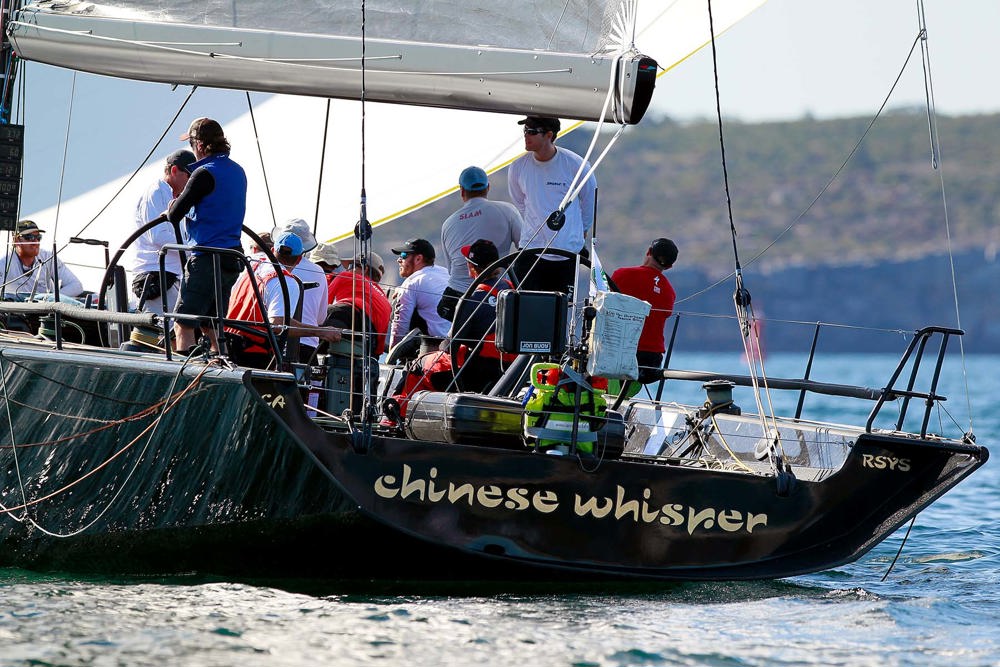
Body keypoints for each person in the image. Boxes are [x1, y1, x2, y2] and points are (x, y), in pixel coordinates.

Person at [167, 117, 247, 354]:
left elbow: (174, 214)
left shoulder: (203, 173)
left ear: (200, 145)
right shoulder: (237, 171)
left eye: (191, 143)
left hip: (206, 257)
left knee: (183, 322)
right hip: (231, 257)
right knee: (211, 321)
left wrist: (171, 205)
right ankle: (218, 362)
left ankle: (186, 378)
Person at [224, 232, 342, 368]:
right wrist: (320, 331)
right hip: (253, 354)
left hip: (230, 344)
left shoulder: (252, 266)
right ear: (299, 259)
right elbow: (278, 324)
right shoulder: (286, 281)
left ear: (273, 250)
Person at [507, 115, 596, 294]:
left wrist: (580, 231)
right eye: (525, 131)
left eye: (532, 132)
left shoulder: (576, 165)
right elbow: (520, 203)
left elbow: (589, 202)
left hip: (566, 253)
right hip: (532, 249)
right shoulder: (517, 167)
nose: (526, 136)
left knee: (559, 313)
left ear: (549, 135)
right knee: (525, 308)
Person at [437, 166, 521, 321]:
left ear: (462, 191)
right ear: (488, 187)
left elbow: (451, 270)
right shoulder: (508, 211)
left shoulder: (448, 223)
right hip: (494, 293)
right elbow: (524, 248)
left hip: (456, 296)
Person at [128, 149, 196, 316]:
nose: (190, 182)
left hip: (171, 277)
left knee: (176, 332)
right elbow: (158, 236)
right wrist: (193, 249)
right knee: (162, 335)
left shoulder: (174, 196)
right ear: (174, 170)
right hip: (156, 278)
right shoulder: (156, 192)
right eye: (189, 176)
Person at [448, 239, 516, 393]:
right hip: (513, 370)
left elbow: (450, 344)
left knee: (424, 368)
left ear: (471, 266)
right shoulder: (511, 287)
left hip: (482, 374)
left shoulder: (470, 299)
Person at [610, 238, 678, 384]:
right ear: (670, 266)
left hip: (621, 355)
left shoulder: (621, 275)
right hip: (652, 363)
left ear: (648, 252)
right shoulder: (670, 291)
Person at [269, 218, 329, 364]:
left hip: (274, 344)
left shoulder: (266, 268)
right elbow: (320, 319)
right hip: (308, 346)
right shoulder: (318, 272)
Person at [387, 238, 450, 350]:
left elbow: (400, 325)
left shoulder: (411, 283)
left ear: (418, 259)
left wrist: (392, 355)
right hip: (454, 344)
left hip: (434, 347)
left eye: (403, 255)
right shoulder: (444, 272)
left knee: (397, 303)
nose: (399, 260)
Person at [325, 251, 391, 357]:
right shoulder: (386, 300)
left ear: (365, 269)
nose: (348, 270)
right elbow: (378, 349)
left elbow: (322, 304)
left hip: (344, 314)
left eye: (351, 266)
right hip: (368, 339)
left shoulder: (346, 276)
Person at [0, 220, 83, 299]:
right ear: (16, 240)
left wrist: (50, 299)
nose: (36, 242)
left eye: (38, 237)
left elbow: (76, 286)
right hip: (15, 311)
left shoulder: (48, 257)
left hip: (45, 310)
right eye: (30, 237)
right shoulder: (4, 262)